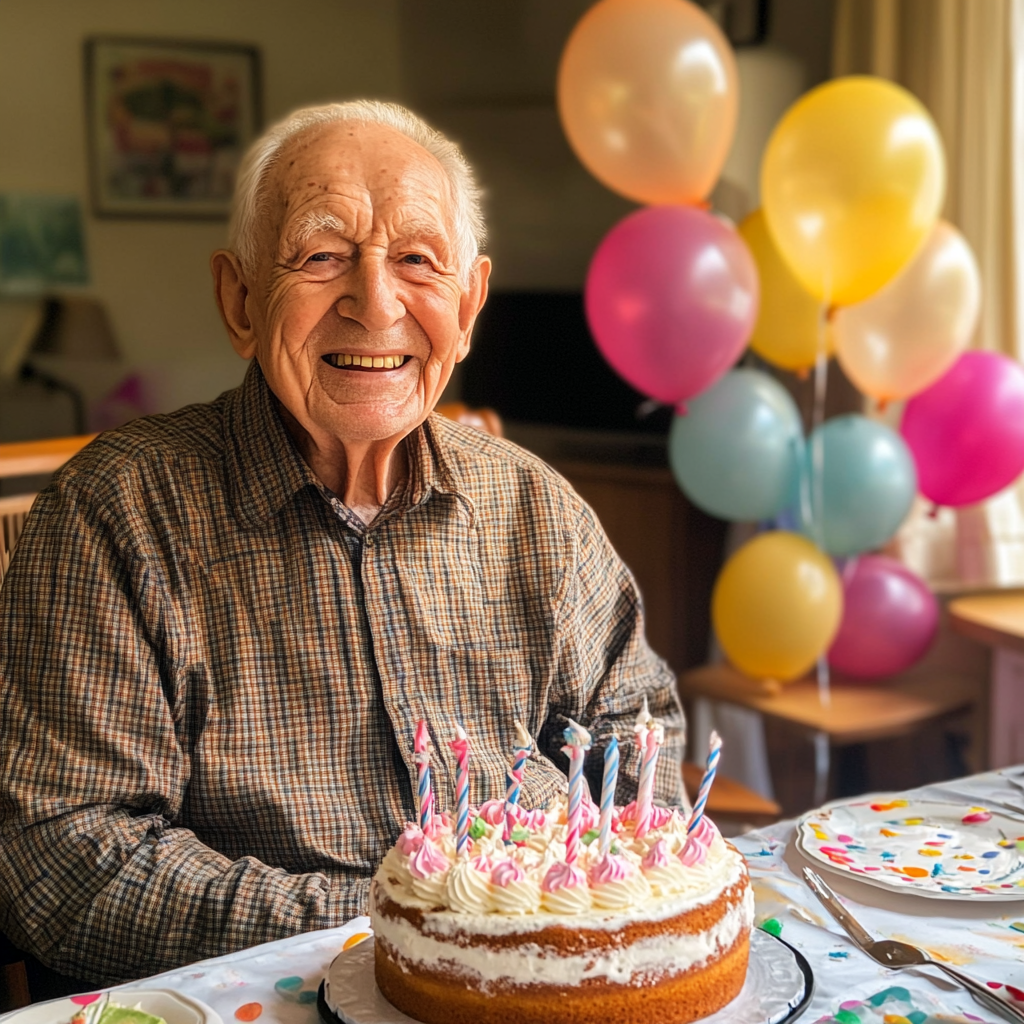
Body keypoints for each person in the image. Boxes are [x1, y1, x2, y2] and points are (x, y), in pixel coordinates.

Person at [0, 101, 685, 986]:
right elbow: (65, 859)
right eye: (322, 256)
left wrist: (558, 906)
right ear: (240, 298)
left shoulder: (536, 509)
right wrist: (403, 924)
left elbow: (640, 739)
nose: (376, 302)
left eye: (417, 260)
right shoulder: (116, 514)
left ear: (468, 304)